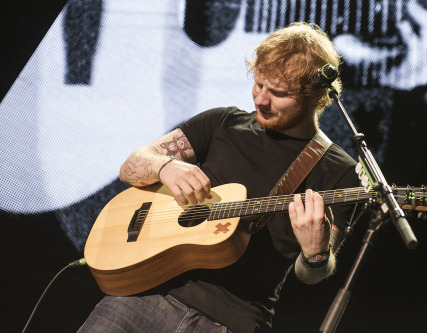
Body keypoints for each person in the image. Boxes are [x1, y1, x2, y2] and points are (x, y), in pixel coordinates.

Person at [79, 22, 359, 333]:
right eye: (259, 84)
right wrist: (165, 167)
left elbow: (313, 274)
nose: (261, 99)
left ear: (314, 95)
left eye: (277, 92)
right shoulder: (222, 122)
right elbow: (131, 165)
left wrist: (315, 253)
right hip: (144, 296)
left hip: (231, 321)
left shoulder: (340, 171)